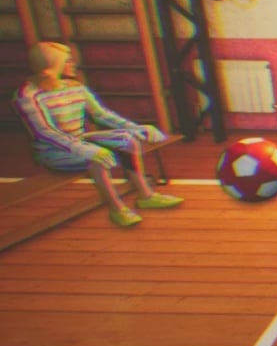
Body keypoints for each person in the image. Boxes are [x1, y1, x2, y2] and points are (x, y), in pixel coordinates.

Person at [12, 42, 183, 228]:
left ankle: (146, 196)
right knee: (96, 159)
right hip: (52, 151)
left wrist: (137, 128)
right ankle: (117, 209)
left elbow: (101, 115)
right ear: (50, 67)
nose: (72, 64)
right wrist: (83, 149)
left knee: (127, 141)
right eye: (67, 61)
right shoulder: (28, 95)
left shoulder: (75, 87)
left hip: (79, 139)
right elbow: (45, 131)